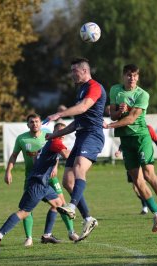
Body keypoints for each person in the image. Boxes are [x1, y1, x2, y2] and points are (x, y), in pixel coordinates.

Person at [106, 64, 157, 233]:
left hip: (141, 137)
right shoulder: (115, 90)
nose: (132, 78)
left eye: (135, 75)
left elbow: (131, 119)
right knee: (138, 182)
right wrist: (118, 112)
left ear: (138, 77)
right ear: (123, 76)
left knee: (148, 174)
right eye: (129, 75)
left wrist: (110, 125)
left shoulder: (142, 95)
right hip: (126, 140)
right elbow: (113, 113)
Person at [43, 57, 106, 242]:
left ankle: (71, 206)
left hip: (93, 135)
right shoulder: (80, 90)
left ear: (84, 71)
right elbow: (77, 122)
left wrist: (59, 114)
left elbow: (84, 107)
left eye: (74, 71)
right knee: (68, 181)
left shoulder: (94, 86)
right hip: (81, 136)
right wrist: (54, 135)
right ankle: (88, 218)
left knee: (79, 167)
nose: (72, 75)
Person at [0, 123, 71, 253]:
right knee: (24, 212)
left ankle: (47, 236)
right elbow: (67, 155)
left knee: (58, 204)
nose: (63, 134)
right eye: (61, 132)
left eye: (64, 131)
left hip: (43, 183)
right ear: (56, 133)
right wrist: (81, 151)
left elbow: (35, 159)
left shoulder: (47, 144)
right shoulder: (56, 142)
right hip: (38, 184)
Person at [4, 114, 77, 246]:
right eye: (31, 122)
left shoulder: (48, 134)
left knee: (61, 203)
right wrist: (8, 171)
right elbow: (14, 156)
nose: (35, 124)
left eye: (37, 121)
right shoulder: (22, 139)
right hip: (32, 178)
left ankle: (71, 232)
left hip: (50, 177)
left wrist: (55, 166)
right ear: (28, 125)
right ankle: (29, 238)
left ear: (40, 123)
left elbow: (58, 150)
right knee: (27, 208)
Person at [115, 124, 157, 215]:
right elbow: (126, 141)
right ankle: (147, 205)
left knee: (144, 181)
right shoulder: (128, 128)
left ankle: (153, 208)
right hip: (132, 160)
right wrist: (120, 150)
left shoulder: (148, 128)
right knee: (136, 188)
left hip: (143, 158)